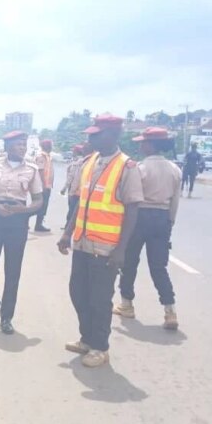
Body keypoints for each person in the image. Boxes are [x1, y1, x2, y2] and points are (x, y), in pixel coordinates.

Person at [57, 115, 144, 367]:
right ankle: (86, 338)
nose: (90, 138)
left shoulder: (127, 167)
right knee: (78, 292)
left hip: (106, 248)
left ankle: (99, 347)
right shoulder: (91, 161)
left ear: (114, 135)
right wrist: (66, 232)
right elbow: (81, 202)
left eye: (96, 134)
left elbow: (132, 210)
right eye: (90, 134)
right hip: (83, 243)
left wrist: (121, 250)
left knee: (100, 299)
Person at [0, 131, 43, 334]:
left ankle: (7, 316)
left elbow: (39, 200)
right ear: (7, 146)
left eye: (24, 144)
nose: (22, 148)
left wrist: (21, 211)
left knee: (13, 269)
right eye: (18, 144)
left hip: (17, 219)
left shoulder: (31, 168)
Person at [113, 128, 181, 330]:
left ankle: (127, 304)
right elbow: (175, 202)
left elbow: (129, 198)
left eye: (143, 142)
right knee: (159, 267)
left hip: (139, 217)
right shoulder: (174, 169)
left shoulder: (139, 168)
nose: (140, 145)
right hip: (162, 218)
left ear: (151, 145)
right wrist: (169, 223)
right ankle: (170, 311)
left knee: (129, 263)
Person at [60, 144, 86, 227]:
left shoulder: (77, 162)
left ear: (76, 151)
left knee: (72, 210)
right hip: (80, 190)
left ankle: (69, 227)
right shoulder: (85, 161)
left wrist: (65, 188)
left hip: (75, 190)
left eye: (73, 150)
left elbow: (72, 177)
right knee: (75, 210)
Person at [34, 139, 55, 232]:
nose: (52, 147)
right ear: (47, 146)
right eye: (50, 145)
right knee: (40, 205)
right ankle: (25, 218)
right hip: (43, 185)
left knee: (43, 206)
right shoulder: (41, 156)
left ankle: (39, 224)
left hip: (47, 185)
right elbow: (40, 170)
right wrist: (43, 185)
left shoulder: (48, 156)